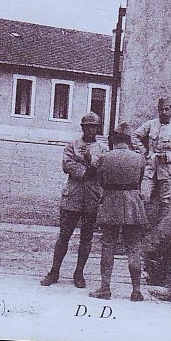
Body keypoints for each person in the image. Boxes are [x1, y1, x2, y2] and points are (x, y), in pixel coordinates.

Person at [40, 112, 107, 288]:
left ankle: (79, 273)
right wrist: (87, 169)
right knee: (64, 236)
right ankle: (54, 271)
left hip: (92, 198)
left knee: (86, 238)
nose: (91, 130)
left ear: (98, 129)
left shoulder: (102, 149)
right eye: (88, 126)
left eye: (94, 127)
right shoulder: (73, 145)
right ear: (82, 128)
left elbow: (102, 170)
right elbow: (67, 165)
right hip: (72, 196)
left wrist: (87, 162)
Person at [89, 123, 148, 301]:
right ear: (129, 140)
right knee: (133, 247)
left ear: (114, 139)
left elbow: (101, 181)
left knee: (108, 246)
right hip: (133, 204)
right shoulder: (139, 158)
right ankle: (136, 290)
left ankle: (105, 288)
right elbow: (139, 181)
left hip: (111, 203)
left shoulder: (105, 158)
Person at [131, 96, 171, 278]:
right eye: (162, 109)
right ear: (158, 109)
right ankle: (138, 235)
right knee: (143, 197)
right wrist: (145, 152)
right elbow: (135, 136)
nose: (164, 112)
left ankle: (160, 238)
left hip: (167, 171)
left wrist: (167, 157)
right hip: (150, 169)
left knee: (165, 203)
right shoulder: (151, 125)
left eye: (168, 109)